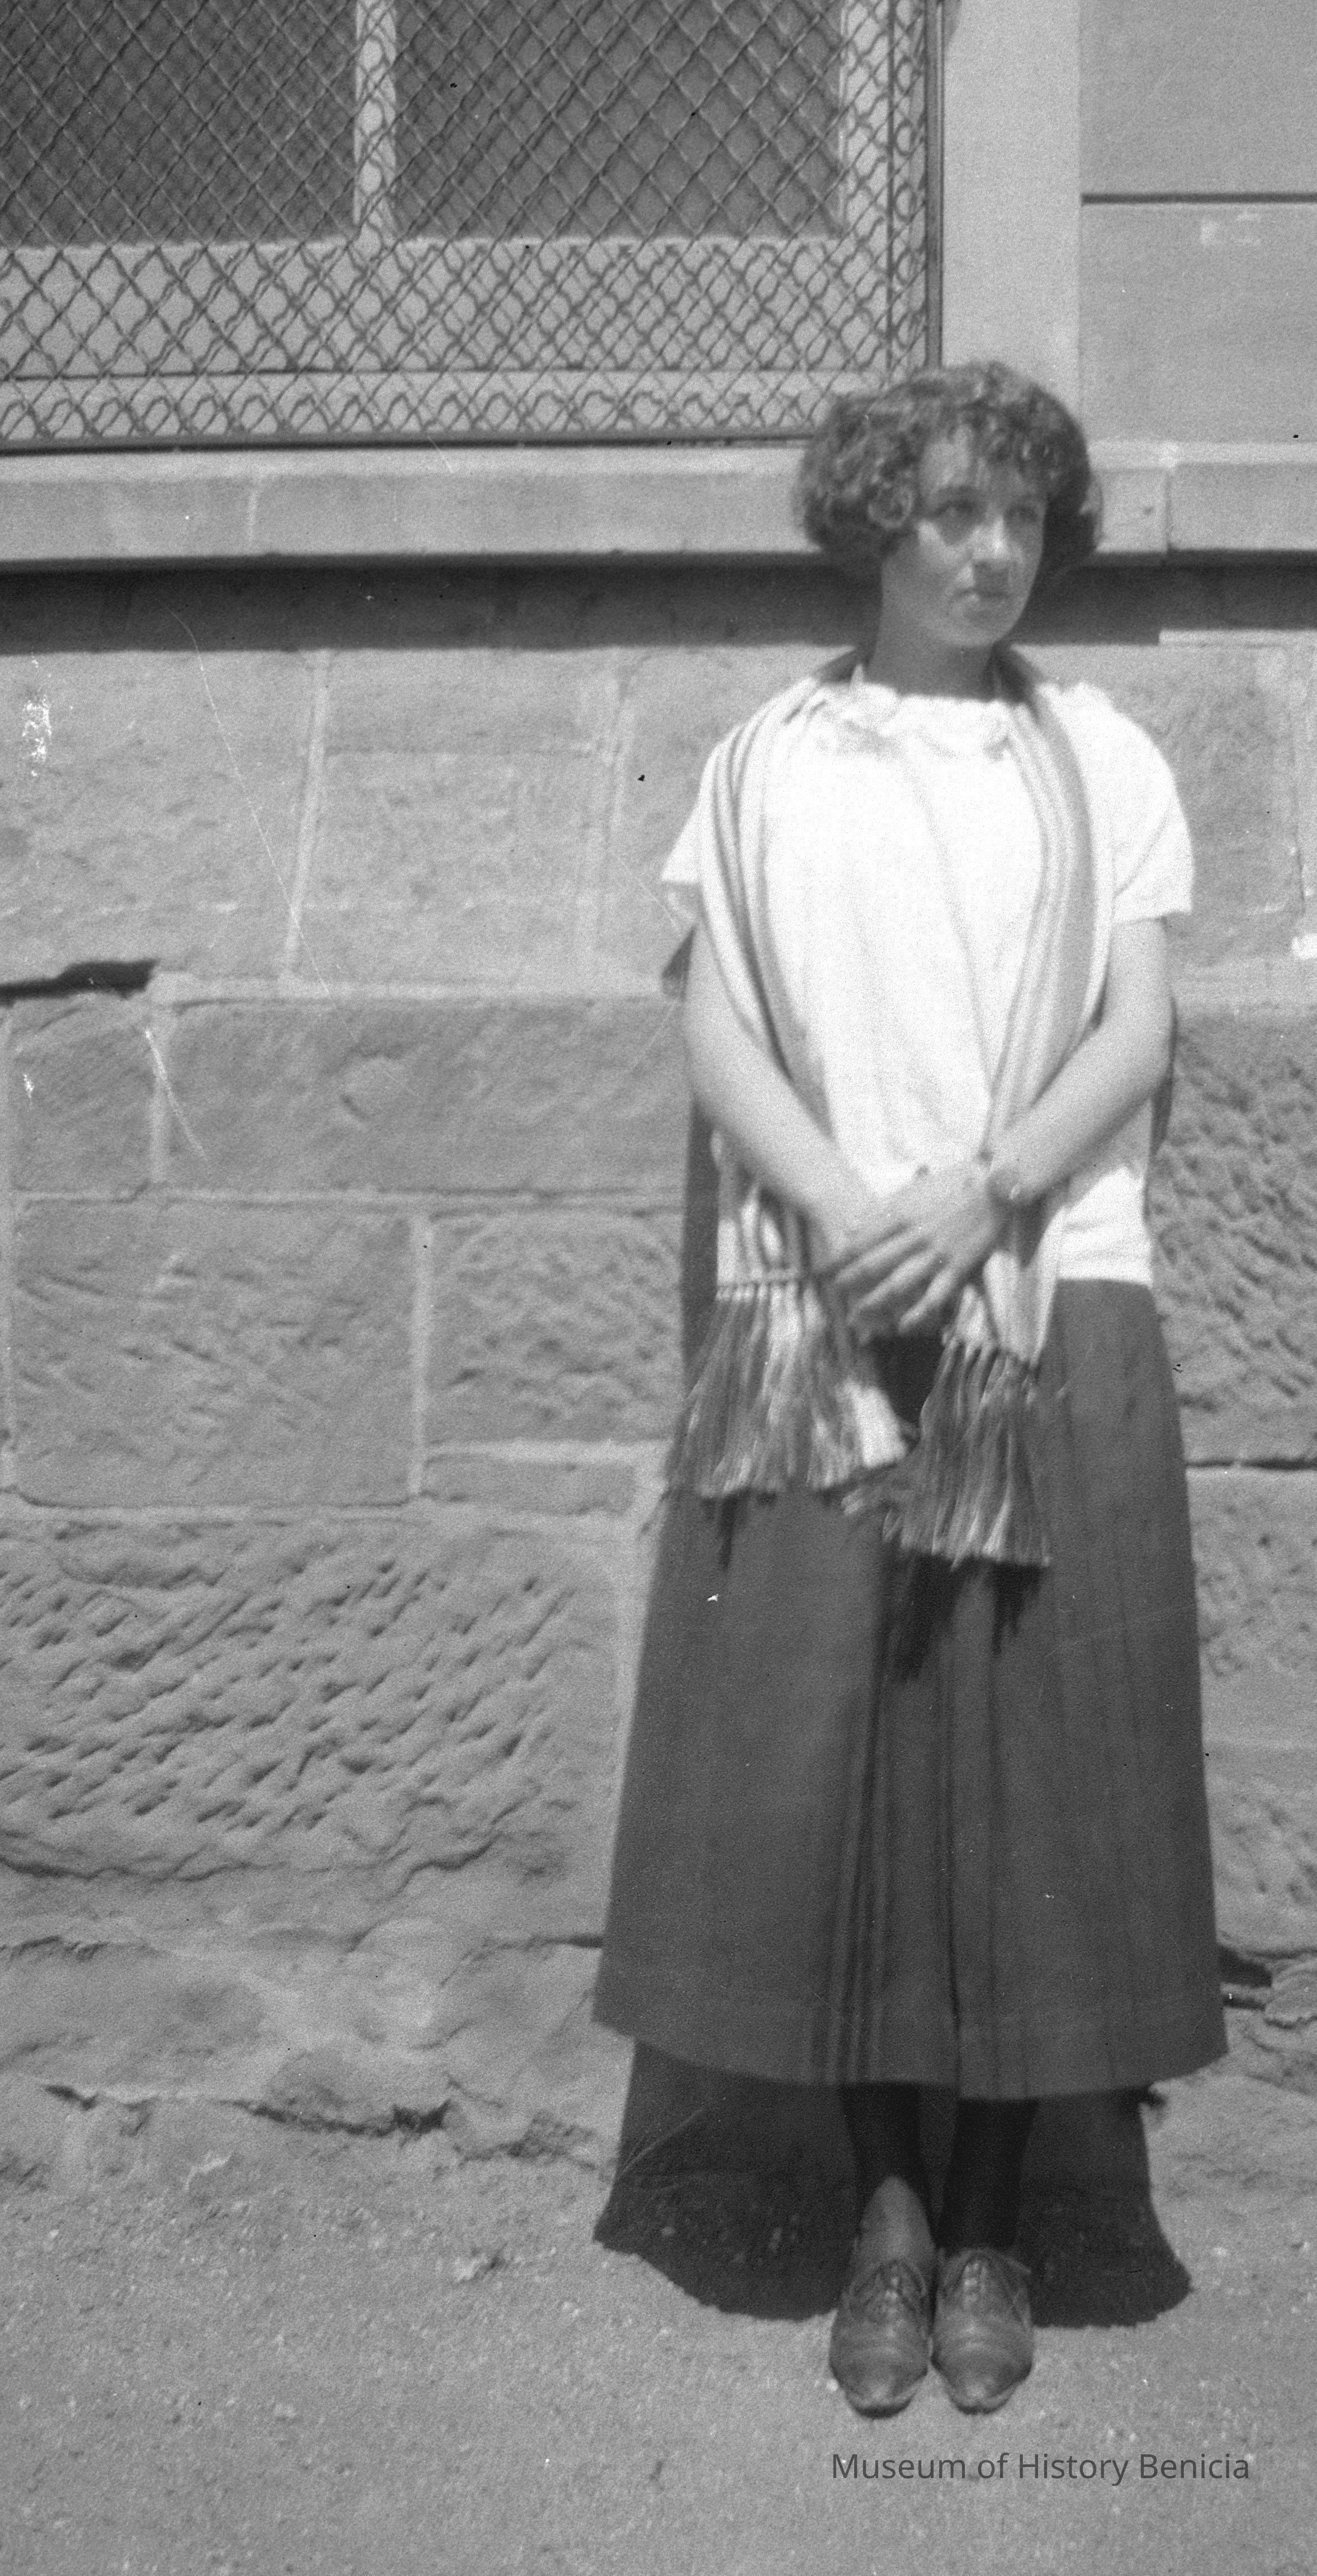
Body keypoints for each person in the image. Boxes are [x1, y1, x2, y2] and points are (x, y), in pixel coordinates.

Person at [593, 361, 1226, 2417]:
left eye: (1021, 518)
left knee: (1032, 1774)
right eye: (953, 511)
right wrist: (850, 1211)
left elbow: (1133, 1029)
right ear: (876, 522)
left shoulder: (1099, 755)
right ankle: (880, 2218)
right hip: (823, 1317)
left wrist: (981, 1194)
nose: (989, 551)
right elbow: (720, 1031)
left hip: (1043, 1306)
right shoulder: (763, 765)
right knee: (847, 1775)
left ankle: (991, 2224)